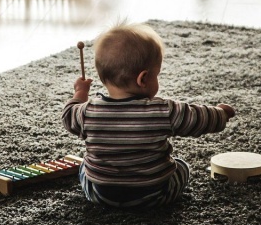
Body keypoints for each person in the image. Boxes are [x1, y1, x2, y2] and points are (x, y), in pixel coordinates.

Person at [62, 21, 236, 209]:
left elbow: (68, 115)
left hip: (101, 195)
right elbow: (199, 118)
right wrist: (221, 114)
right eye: (157, 75)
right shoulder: (163, 111)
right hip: (155, 195)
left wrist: (80, 93)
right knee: (182, 166)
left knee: (84, 166)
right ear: (143, 79)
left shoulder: (86, 112)